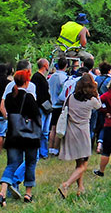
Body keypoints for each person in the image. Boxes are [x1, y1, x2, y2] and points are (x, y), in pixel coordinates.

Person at [56, 73, 100, 198]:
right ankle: (66, 184)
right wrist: (96, 92)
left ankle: (80, 188)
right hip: (83, 133)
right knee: (84, 164)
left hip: (71, 132)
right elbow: (99, 105)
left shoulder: (70, 97)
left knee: (79, 162)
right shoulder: (92, 101)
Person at [0, 70, 40, 205]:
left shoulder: (10, 97)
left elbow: (7, 113)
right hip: (28, 135)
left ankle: (2, 192)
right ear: (27, 82)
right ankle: (28, 194)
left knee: (11, 164)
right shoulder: (28, 97)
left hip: (12, 134)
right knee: (30, 163)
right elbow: (36, 116)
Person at [47, 58, 71, 157]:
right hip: (59, 104)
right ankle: (56, 148)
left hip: (51, 103)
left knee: (52, 128)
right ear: (66, 66)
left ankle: (50, 148)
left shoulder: (51, 77)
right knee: (58, 128)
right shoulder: (64, 78)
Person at [29, 59, 51, 159]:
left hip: (46, 107)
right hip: (41, 107)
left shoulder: (42, 77)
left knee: (45, 132)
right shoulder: (37, 77)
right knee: (39, 131)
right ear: (45, 65)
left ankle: (44, 152)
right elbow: (38, 95)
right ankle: (37, 153)